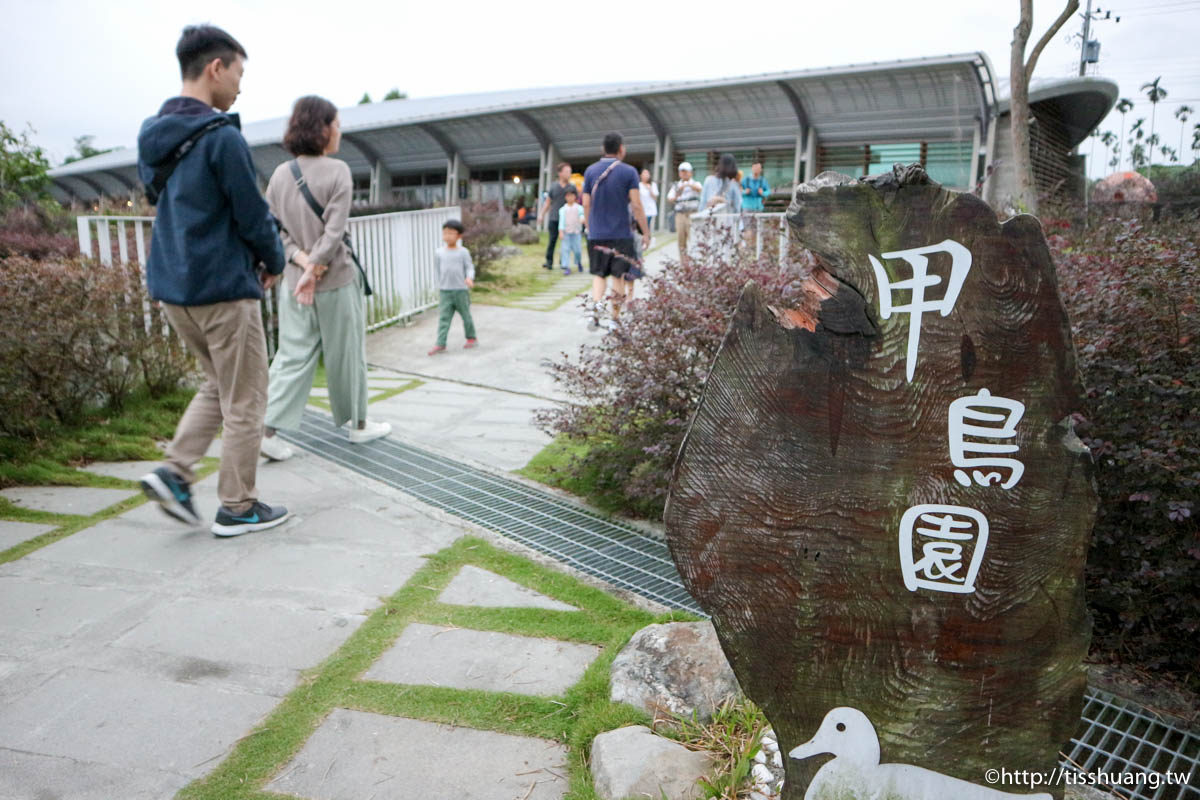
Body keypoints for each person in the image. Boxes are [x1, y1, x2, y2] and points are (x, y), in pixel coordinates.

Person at [136, 25, 289, 538]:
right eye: (239, 73)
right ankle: (238, 506)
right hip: (223, 288)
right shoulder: (221, 137)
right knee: (246, 398)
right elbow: (252, 213)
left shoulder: (153, 133)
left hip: (175, 287)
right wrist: (274, 260)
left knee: (218, 384)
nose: (241, 87)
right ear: (215, 68)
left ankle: (173, 472)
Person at [257, 95, 391, 463]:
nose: (340, 131)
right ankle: (358, 424)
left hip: (294, 282)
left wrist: (301, 266)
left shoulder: (281, 175)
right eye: (337, 124)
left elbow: (274, 230)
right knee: (347, 354)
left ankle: (267, 430)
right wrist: (315, 271)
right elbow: (334, 234)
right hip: (335, 281)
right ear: (324, 128)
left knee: (291, 356)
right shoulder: (339, 171)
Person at [582, 132, 649, 331]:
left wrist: (589, 225)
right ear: (621, 149)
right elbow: (636, 205)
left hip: (597, 233)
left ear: (603, 149)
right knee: (617, 277)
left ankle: (596, 307)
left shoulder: (590, 171)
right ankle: (614, 319)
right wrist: (645, 231)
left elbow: (586, 202)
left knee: (599, 274)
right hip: (621, 234)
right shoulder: (629, 172)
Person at [428, 219, 477, 355]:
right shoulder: (439, 253)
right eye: (445, 233)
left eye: (451, 233)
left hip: (461, 290)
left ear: (459, 236)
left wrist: (469, 278)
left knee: (466, 315)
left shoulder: (463, 252)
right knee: (444, 318)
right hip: (445, 291)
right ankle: (440, 343)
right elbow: (437, 270)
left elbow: (469, 267)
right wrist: (437, 285)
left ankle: (471, 337)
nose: (448, 236)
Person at [539, 162, 574, 269]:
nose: (569, 173)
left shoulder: (572, 187)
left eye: (570, 171)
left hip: (568, 219)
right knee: (552, 241)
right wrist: (541, 214)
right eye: (567, 171)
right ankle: (549, 262)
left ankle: (564, 262)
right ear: (560, 173)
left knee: (566, 242)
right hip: (554, 218)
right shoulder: (553, 186)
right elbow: (548, 202)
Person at [666, 162, 702, 262]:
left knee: (694, 238)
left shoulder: (695, 183)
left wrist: (689, 185)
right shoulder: (676, 185)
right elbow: (670, 198)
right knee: (681, 240)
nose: (684, 174)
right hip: (680, 214)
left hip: (692, 214)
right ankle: (684, 263)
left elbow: (699, 189)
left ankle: (695, 262)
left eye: (686, 172)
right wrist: (679, 190)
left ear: (690, 173)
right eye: (682, 172)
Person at [741, 161, 770, 248]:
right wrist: (744, 192)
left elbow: (768, 191)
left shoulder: (763, 181)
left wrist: (763, 193)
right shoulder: (745, 180)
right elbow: (738, 191)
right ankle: (748, 247)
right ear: (752, 168)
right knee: (748, 228)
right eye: (755, 167)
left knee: (757, 229)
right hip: (747, 207)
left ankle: (754, 247)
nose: (757, 170)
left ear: (761, 169)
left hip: (758, 207)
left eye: (759, 168)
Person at [558, 186, 585, 274]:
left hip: (576, 232)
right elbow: (561, 222)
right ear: (565, 197)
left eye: (571, 195)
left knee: (577, 250)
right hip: (566, 232)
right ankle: (566, 266)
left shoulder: (579, 208)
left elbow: (582, 215)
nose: (570, 198)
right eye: (568, 196)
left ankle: (578, 262)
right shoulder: (562, 210)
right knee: (565, 249)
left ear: (575, 196)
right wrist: (561, 231)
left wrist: (582, 219)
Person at [638, 168, 658, 246]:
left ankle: (647, 241)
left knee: (647, 224)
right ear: (641, 175)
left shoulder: (653, 185)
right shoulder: (638, 185)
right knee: (642, 226)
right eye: (644, 173)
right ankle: (645, 240)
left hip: (650, 210)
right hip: (641, 209)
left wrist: (650, 189)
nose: (646, 175)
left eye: (647, 174)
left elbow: (655, 197)